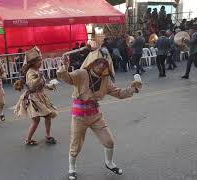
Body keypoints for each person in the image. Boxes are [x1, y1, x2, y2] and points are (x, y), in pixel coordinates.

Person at [56, 48, 142, 180]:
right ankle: (72, 168)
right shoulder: (82, 73)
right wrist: (64, 67)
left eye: (104, 63)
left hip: (95, 116)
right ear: (92, 62)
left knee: (109, 141)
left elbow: (119, 93)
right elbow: (66, 78)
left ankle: (109, 163)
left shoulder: (105, 81)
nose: (101, 65)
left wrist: (132, 89)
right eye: (99, 62)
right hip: (79, 116)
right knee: (75, 144)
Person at [14, 46, 57, 145]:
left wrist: (49, 86)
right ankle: (28, 139)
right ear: (33, 62)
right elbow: (32, 85)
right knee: (36, 120)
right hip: (33, 98)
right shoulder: (30, 72)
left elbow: (41, 85)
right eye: (39, 60)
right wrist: (39, 78)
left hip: (40, 96)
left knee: (47, 115)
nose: (41, 62)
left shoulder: (36, 71)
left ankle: (48, 135)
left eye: (41, 60)